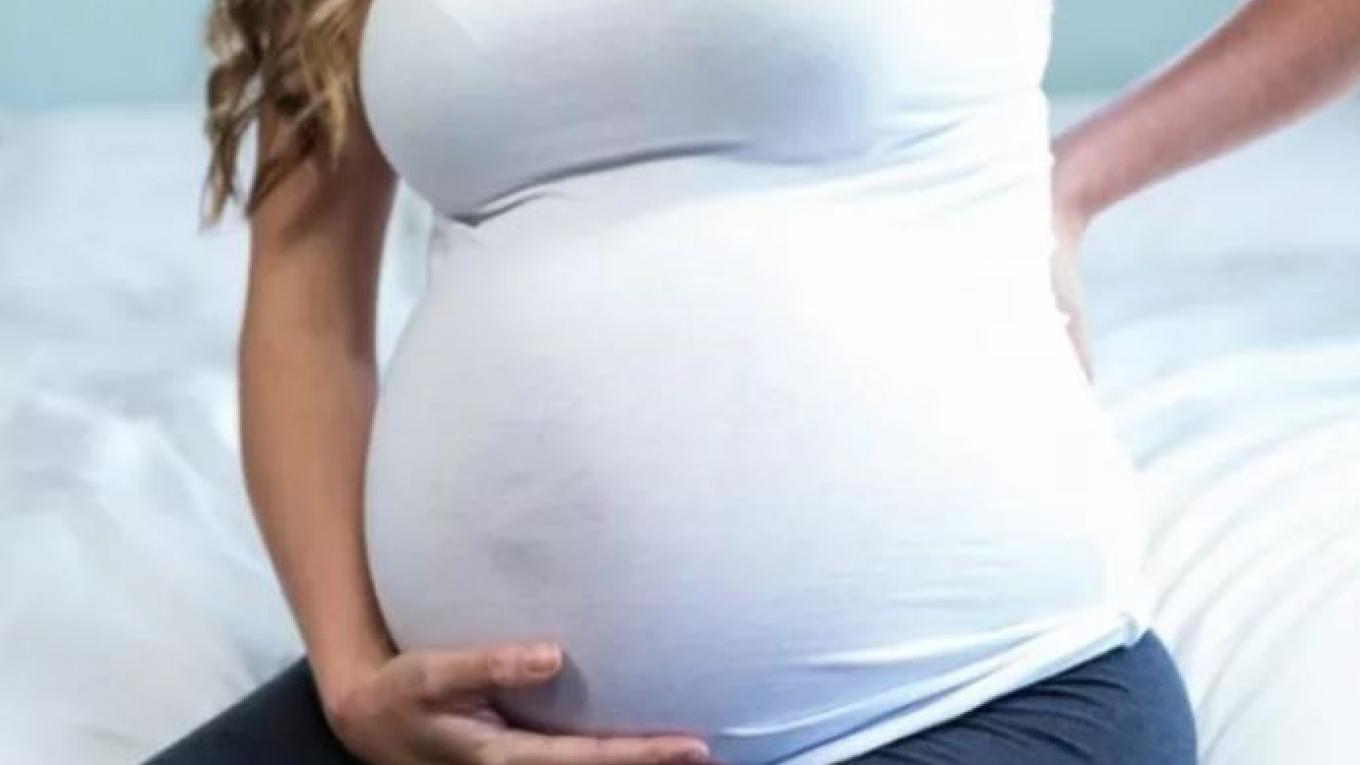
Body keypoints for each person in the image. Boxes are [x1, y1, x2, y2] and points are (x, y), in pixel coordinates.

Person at [147, 1, 1360, 764]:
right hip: (462, 732)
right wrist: (351, 675)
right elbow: (304, 297)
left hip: (970, 697)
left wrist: (1077, 179)